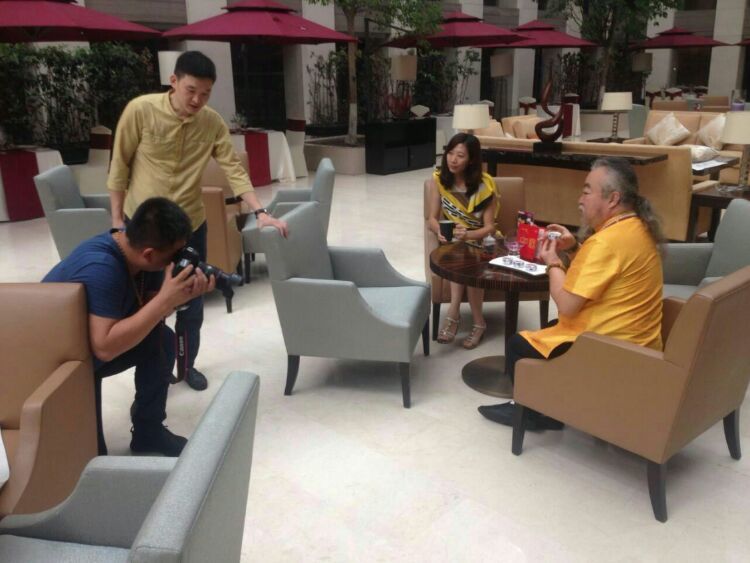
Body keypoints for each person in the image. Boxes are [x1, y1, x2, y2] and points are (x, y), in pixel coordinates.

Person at [107, 50, 288, 392]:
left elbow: (234, 169)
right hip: (144, 227)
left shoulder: (211, 122)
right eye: (191, 90)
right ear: (173, 81)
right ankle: (157, 368)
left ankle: (187, 365)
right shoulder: (140, 110)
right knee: (150, 301)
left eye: (205, 94)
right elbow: (120, 166)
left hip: (189, 223)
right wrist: (117, 221)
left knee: (191, 299)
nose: (197, 100)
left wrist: (260, 212)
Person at [478, 156, 664, 429]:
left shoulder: (605, 242)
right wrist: (574, 247)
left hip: (610, 350)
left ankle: (535, 415)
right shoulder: (636, 228)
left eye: (587, 192)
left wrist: (553, 261)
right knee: (551, 328)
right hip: (636, 343)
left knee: (518, 344)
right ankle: (550, 404)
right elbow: (599, 277)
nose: (580, 199)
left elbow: (567, 304)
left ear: (613, 199)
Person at [43, 198, 215, 456]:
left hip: (85, 349)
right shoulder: (102, 267)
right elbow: (105, 347)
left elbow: (151, 314)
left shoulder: (142, 253)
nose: (176, 261)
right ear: (149, 254)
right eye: (173, 255)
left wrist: (179, 297)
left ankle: (148, 432)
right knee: (93, 460)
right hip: (56, 365)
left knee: (162, 339)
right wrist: (165, 300)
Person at [427, 132, 498, 349]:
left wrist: (468, 235)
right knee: (458, 254)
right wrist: (439, 231)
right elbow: (431, 219)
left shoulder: (485, 185)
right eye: (450, 153)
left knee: (470, 261)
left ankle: (456, 316)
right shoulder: (439, 180)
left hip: (480, 240)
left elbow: (490, 228)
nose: (453, 160)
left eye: (460, 155)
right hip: (453, 241)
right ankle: (474, 321)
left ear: (472, 160)